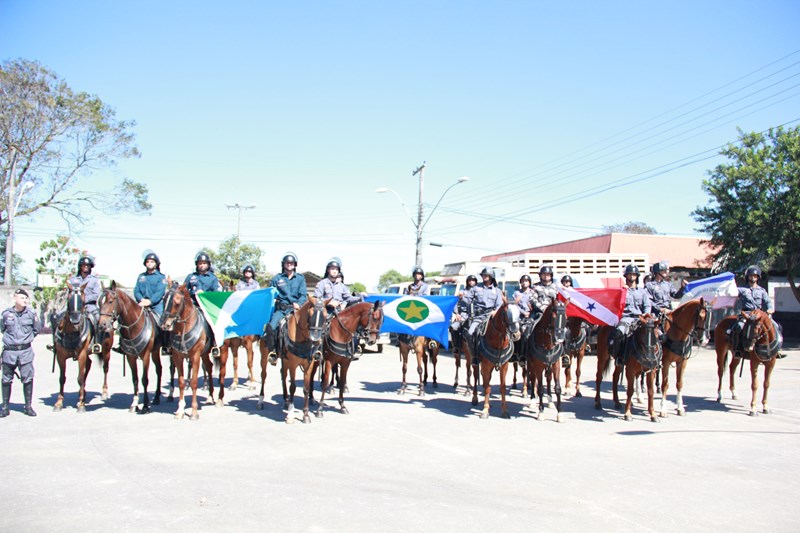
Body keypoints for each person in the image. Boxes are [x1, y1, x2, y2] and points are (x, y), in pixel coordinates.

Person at [1, 289, 42, 417]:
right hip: (10, 352)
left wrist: (24, 340)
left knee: (28, 378)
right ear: (15, 298)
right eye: (21, 298)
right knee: (6, 379)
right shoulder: (6, 314)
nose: (24, 300)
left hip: (25, 351)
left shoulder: (31, 314)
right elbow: (3, 329)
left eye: (26, 298)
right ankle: (5, 406)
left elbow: (36, 329)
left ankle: (28, 406)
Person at [727, 265, 782, 358]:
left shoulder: (762, 291)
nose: (753, 277)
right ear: (747, 277)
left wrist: (769, 309)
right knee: (738, 327)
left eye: (755, 276)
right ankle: (738, 349)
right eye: (751, 275)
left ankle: (776, 350)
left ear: (758, 277)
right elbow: (731, 292)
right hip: (747, 314)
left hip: (759, 314)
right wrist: (727, 284)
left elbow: (768, 302)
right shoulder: (742, 289)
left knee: (776, 326)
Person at [265, 252, 307, 365]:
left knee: (308, 327)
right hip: (281, 310)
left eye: (291, 263)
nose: (289, 264)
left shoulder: (300, 278)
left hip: (296, 310)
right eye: (287, 263)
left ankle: (309, 352)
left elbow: (303, 295)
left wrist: (299, 303)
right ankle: (273, 352)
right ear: (283, 264)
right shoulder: (276, 278)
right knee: (271, 327)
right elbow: (270, 293)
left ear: (295, 264)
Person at [609, 264, 652, 367]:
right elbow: (615, 305)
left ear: (637, 276)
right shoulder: (622, 291)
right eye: (629, 274)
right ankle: (618, 357)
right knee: (618, 333)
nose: (632, 276)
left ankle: (654, 358)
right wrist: (621, 293)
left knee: (657, 333)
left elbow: (647, 305)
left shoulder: (642, 292)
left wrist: (646, 314)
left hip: (640, 318)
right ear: (626, 276)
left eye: (634, 274)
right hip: (626, 318)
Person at [460, 267, 505, 363]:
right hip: (478, 317)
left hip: (491, 317)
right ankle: (475, 355)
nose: (484, 277)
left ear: (491, 276)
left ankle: (507, 354)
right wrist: (461, 297)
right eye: (483, 275)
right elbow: (468, 300)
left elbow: (499, 305)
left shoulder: (497, 291)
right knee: (470, 333)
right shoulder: (476, 288)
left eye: (486, 275)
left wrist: (495, 311)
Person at [183, 251, 222, 356]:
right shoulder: (190, 277)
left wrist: (204, 294)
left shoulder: (213, 278)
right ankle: (172, 345)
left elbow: (217, 292)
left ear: (208, 264)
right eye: (200, 263)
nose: (202, 265)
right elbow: (183, 290)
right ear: (197, 265)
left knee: (214, 322)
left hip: (206, 306)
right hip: (192, 305)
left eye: (204, 263)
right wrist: (193, 292)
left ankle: (215, 344)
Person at [68, 255, 104, 354]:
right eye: (84, 265)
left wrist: (82, 300)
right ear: (80, 266)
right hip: (74, 306)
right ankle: (57, 342)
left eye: (87, 265)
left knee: (98, 320)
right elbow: (69, 293)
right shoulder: (73, 279)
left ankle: (97, 343)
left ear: (90, 267)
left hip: (89, 306)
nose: (85, 267)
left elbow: (96, 294)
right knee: (60, 317)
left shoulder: (94, 280)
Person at [134, 252, 167, 317]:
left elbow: (159, 293)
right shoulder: (141, 276)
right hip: (141, 303)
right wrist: (142, 299)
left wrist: (150, 301)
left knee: (161, 323)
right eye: (148, 262)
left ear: (156, 264)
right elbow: (136, 291)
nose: (149, 264)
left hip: (156, 305)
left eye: (152, 262)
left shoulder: (161, 277)